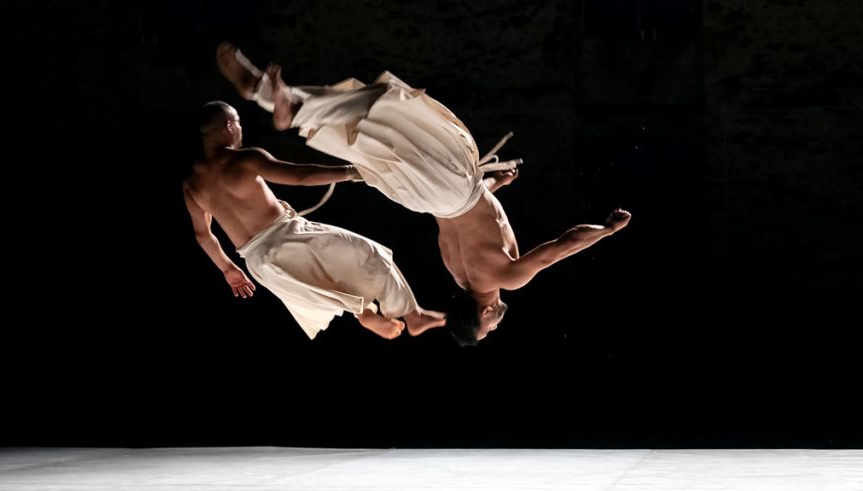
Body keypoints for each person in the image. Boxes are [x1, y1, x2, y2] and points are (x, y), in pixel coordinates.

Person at [217, 44, 632, 346]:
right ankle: (278, 98)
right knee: (380, 122)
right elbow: (462, 216)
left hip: (451, 189)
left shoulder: (506, 277)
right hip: (422, 198)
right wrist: (494, 187)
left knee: (391, 112)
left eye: (489, 329)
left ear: (486, 312)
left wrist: (608, 230)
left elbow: (562, 245)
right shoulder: (456, 270)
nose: (496, 327)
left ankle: (284, 101)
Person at [183, 100, 445, 340]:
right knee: (368, 254)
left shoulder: (192, 185)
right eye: (238, 123)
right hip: (288, 236)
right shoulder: (244, 159)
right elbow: (300, 176)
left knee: (328, 283)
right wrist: (352, 172)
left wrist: (228, 269)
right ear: (229, 126)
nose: (241, 130)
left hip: (260, 263)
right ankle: (412, 315)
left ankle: (364, 311)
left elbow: (203, 236)